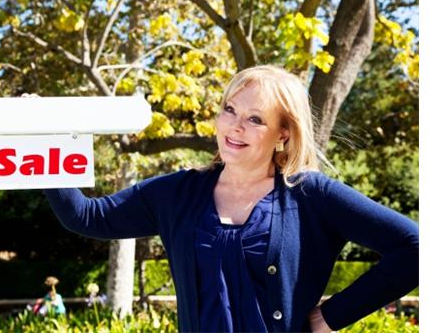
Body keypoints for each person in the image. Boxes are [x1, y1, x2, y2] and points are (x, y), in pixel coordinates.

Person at [43, 65, 419, 332]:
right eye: (230, 110)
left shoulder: (311, 195)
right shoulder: (177, 193)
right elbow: (86, 217)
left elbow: (415, 247)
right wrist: (42, 137)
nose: (235, 126)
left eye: (256, 119)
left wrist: (330, 316)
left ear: (284, 133)